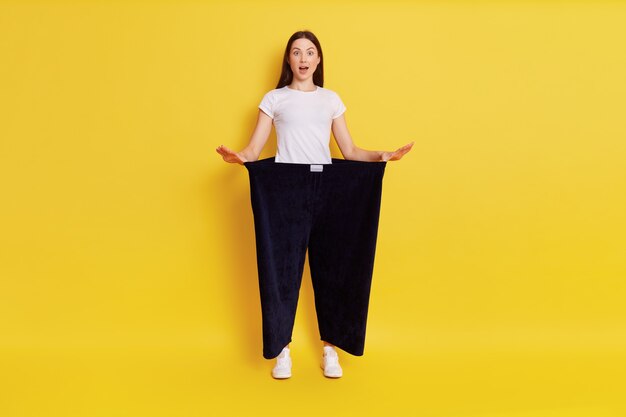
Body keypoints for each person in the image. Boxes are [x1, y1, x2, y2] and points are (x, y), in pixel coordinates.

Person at [216, 30, 413, 379]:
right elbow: (253, 151)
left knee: (334, 268)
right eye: (296, 52)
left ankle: (330, 349)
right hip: (285, 188)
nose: (303, 58)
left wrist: (382, 155)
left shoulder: (331, 100)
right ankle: (281, 351)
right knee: (281, 270)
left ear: (318, 60)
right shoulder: (274, 99)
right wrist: (238, 158)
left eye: (310, 52)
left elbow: (350, 151)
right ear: (288, 60)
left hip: (328, 187)